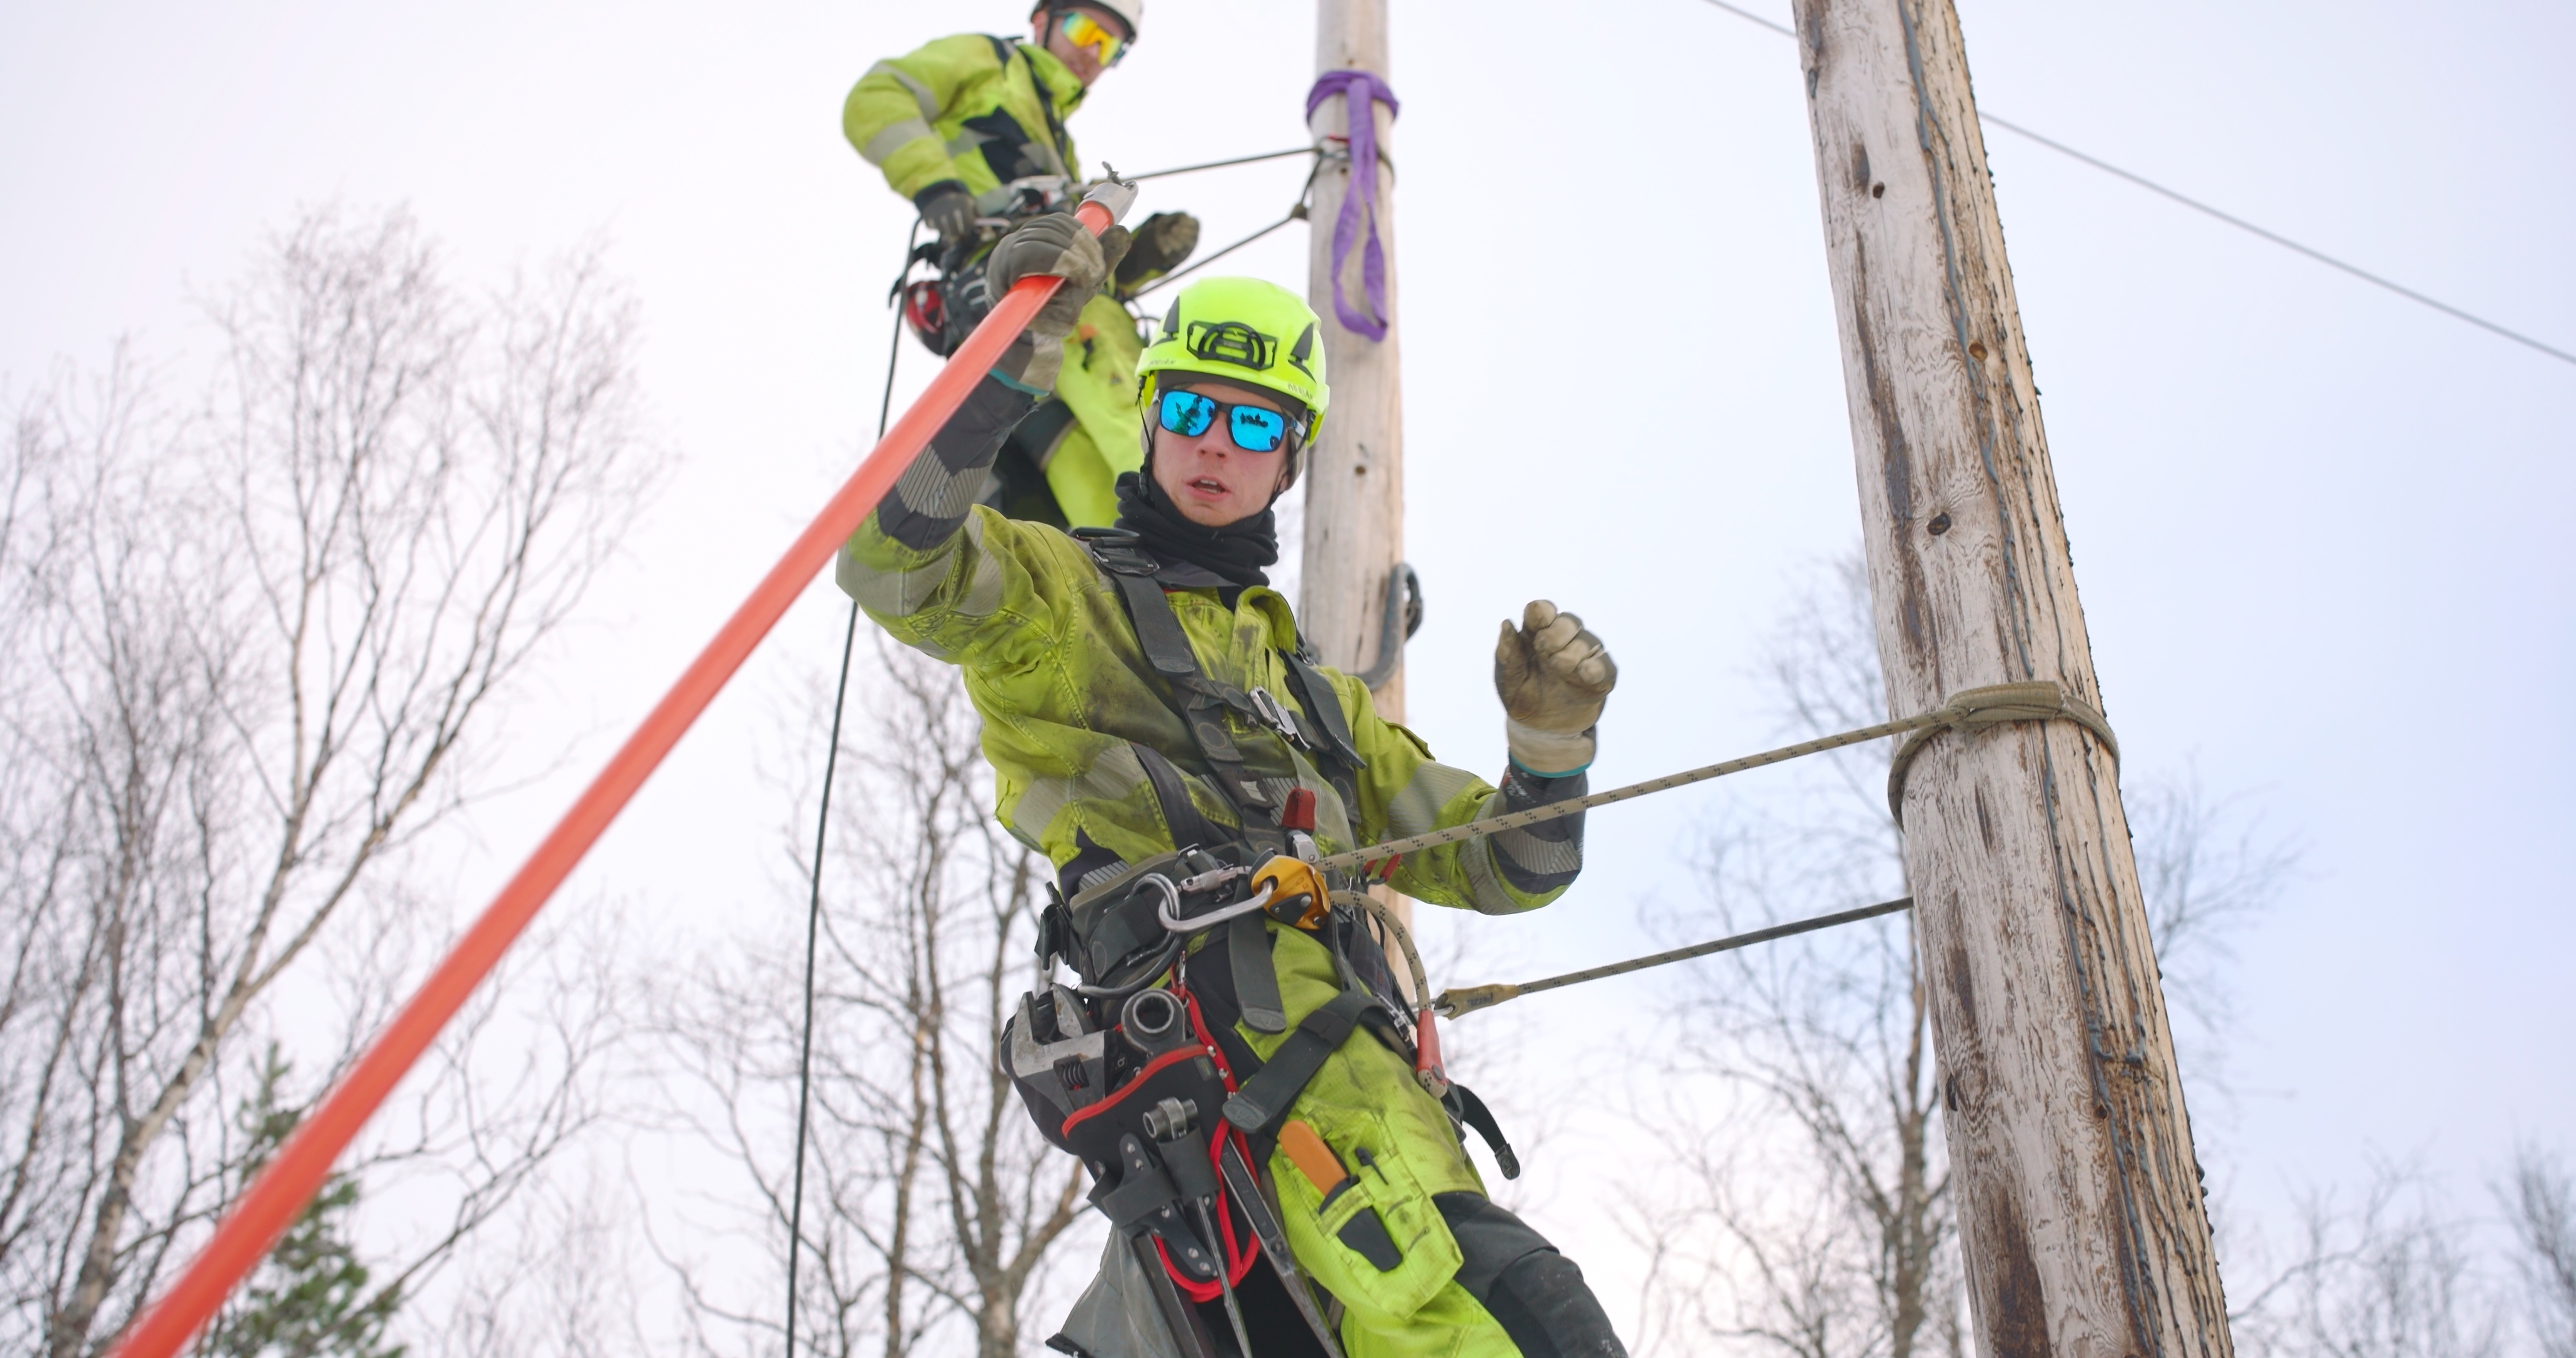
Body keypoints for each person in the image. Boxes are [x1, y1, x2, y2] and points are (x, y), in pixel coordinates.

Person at [840, 213, 1628, 1357]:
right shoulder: (1056, 599)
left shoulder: (1317, 698)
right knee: (1513, 1323)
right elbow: (888, 561)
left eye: (1253, 423)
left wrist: (1550, 747)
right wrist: (1010, 370)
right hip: (1233, 1053)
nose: (1216, 445)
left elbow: (1509, 867)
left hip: (1364, 1079)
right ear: (1149, 420)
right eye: (1192, 412)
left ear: (1290, 457)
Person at [843, 2, 1199, 530]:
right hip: (1025, 292)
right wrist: (935, 184)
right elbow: (877, 95)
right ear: (1043, 21)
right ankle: (1186, 551)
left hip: (1029, 309)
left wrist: (1138, 257)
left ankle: (1133, 587)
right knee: (1138, 431)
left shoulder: (1058, 144)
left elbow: (1081, 255)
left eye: (1109, 47)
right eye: (1084, 30)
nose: (1090, 52)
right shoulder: (991, 62)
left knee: (1082, 480)